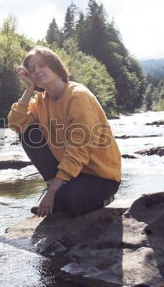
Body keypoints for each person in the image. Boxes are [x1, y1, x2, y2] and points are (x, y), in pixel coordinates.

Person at [7, 46, 122, 217]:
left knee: (65, 201)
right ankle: (58, 192)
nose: (37, 71)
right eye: (32, 69)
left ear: (55, 66)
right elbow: (16, 123)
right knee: (28, 132)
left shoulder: (78, 95)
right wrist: (29, 88)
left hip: (101, 177)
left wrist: (53, 192)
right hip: (72, 175)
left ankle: (102, 198)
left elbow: (79, 149)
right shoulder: (40, 101)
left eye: (41, 65)